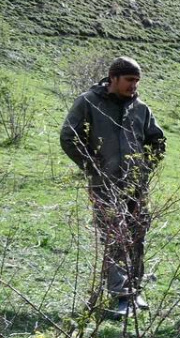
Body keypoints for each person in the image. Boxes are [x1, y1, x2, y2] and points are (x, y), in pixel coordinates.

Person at [60, 57, 165, 317]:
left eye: (137, 81)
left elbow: (158, 140)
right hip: (105, 185)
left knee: (137, 236)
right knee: (114, 238)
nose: (134, 86)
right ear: (113, 78)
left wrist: (145, 167)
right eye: (129, 80)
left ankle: (135, 289)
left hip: (136, 186)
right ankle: (120, 296)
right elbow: (68, 136)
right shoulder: (88, 102)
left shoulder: (141, 108)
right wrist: (91, 165)